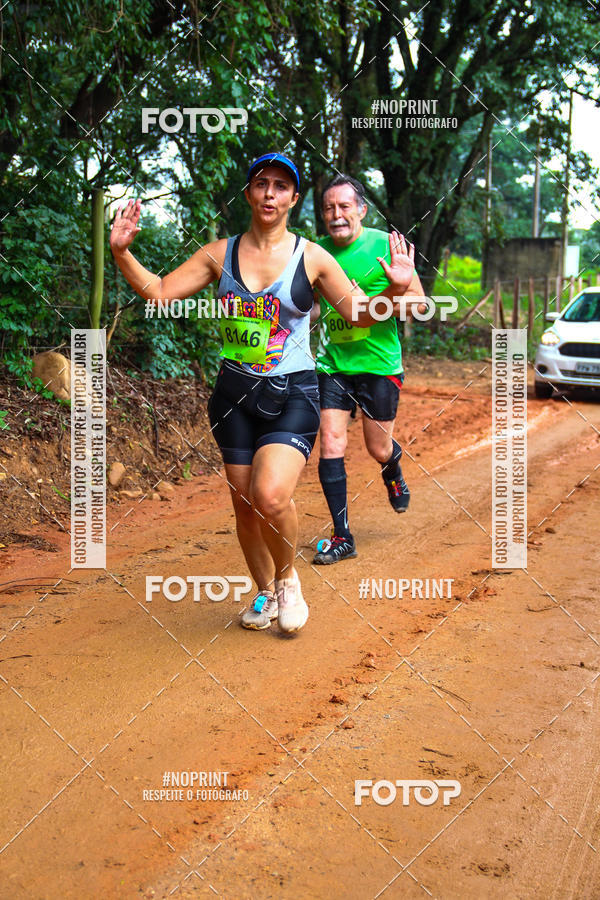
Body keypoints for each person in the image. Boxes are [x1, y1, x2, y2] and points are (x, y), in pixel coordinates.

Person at [109, 153, 416, 632]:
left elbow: (357, 313)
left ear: (293, 198)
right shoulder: (219, 254)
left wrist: (395, 292)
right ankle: (265, 592)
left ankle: (289, 581)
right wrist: (122, 252)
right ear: (250, 193)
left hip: (293, 392)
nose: (269, 193)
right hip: (233, 396)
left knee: (270, 496)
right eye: (261, 184)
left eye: (280, 186)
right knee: (244, 504)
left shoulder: (312, 257)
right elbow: (160, 292)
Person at [311, 174, 425, 565]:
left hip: (379, 365)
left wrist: (388, 294)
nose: (336, 215)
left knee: (377, 447)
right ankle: (342, 536)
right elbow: (308, 305)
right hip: (332, 365)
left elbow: (420, 305)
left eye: (344, 206)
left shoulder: (386, 245)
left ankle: (392, 469)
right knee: (331, 442)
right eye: (328, 208)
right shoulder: (316, 252)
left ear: (361, 209)